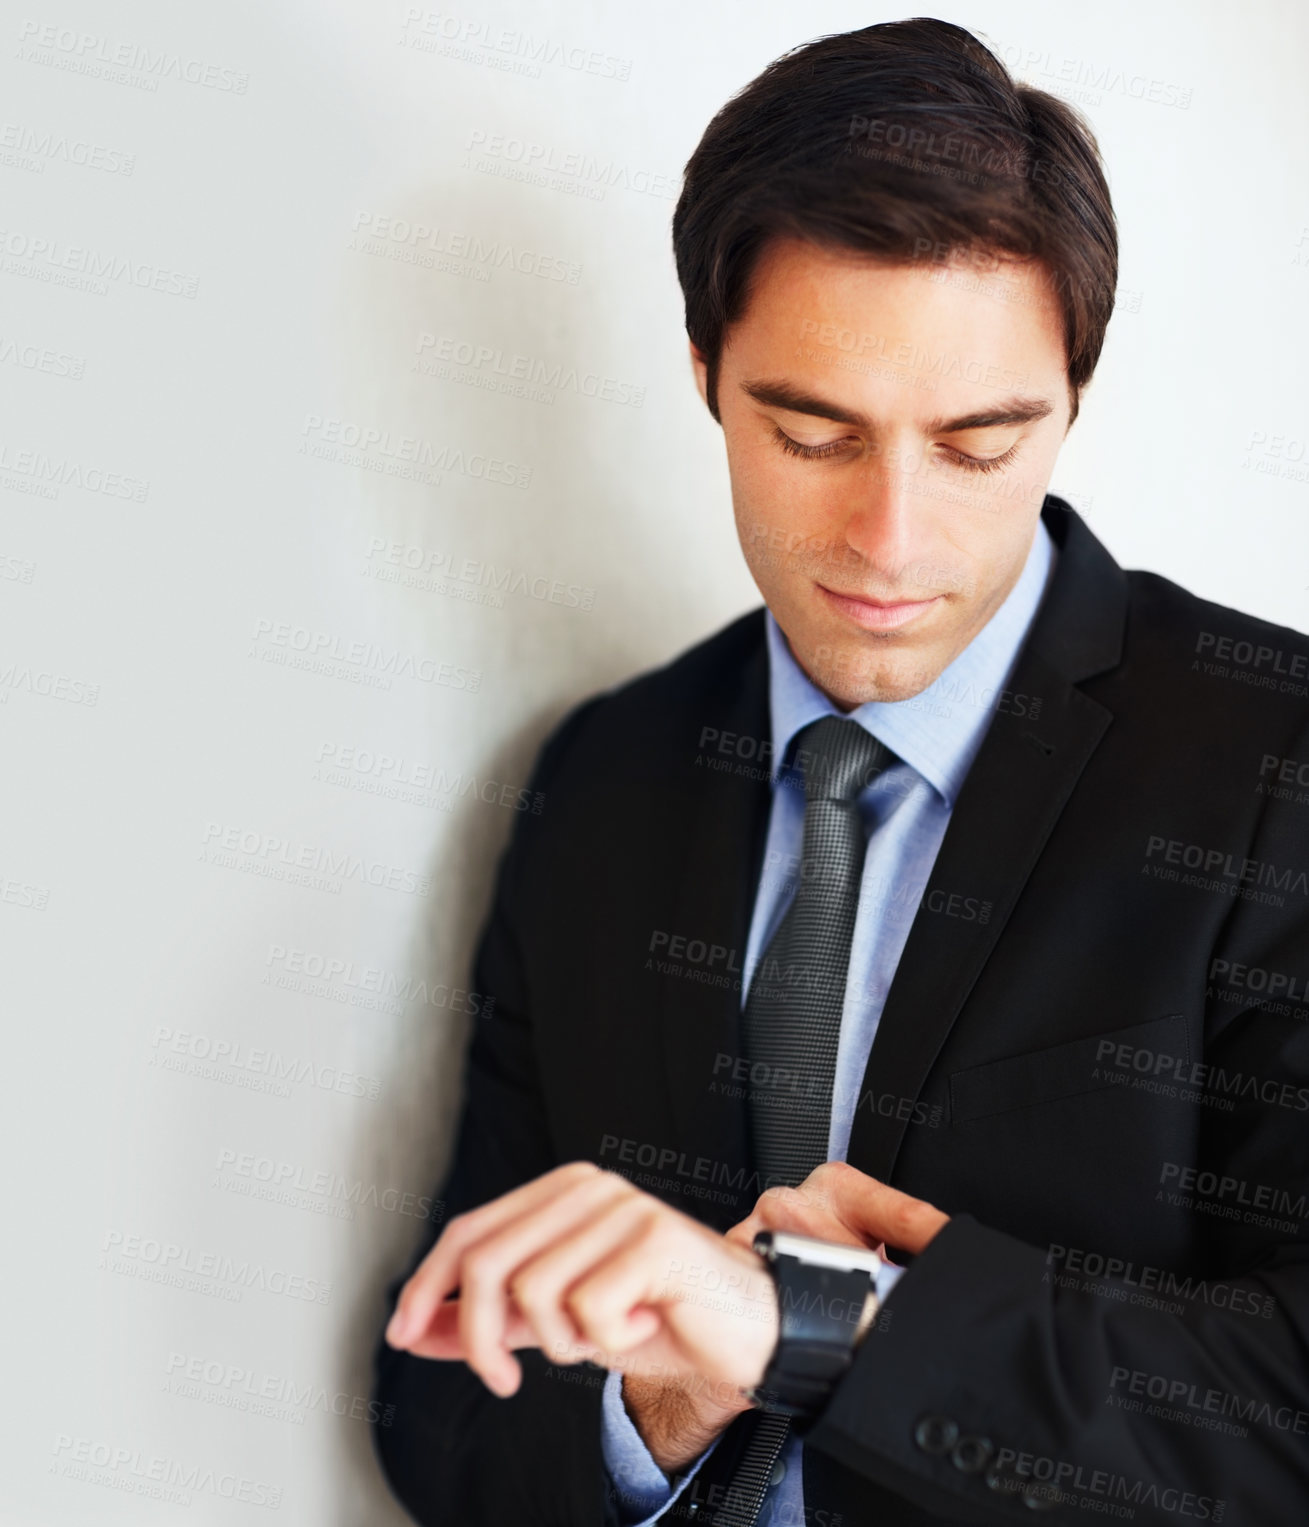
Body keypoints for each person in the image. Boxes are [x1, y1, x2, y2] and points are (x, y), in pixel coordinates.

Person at [370, 17, 1309, 1525]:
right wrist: (660, 1399)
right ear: (702, 374)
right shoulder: (602, 780)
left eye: (978, 444)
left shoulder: (1275, 759)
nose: (889, 541)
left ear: (1073, 396)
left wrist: (826, 1335)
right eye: (810, 432)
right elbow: (438, 1399)